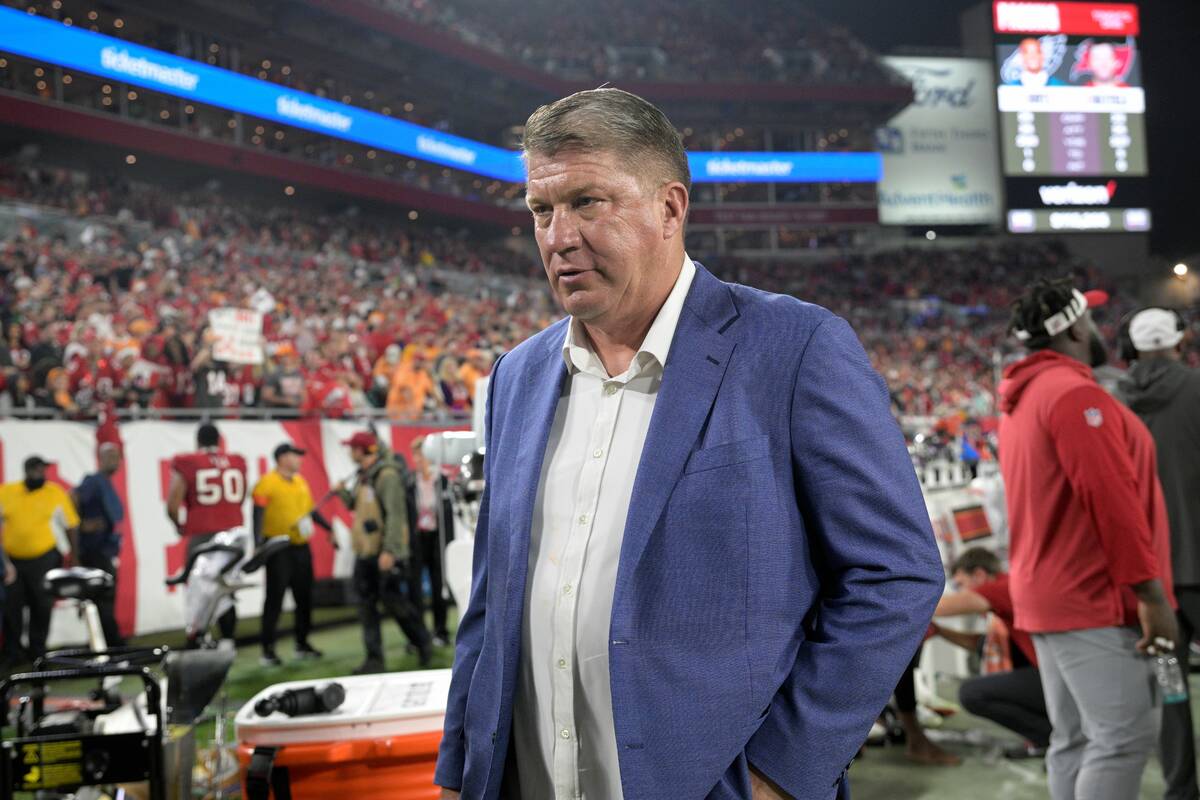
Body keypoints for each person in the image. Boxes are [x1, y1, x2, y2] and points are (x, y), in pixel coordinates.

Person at [434, 89, 944, 800]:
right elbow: (491, 604)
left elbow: (895, 575)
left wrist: (779, 776)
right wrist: (460, 772)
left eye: (588, 202)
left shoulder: (794, 348)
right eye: (541, 210)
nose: (557, 237)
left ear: (670, 208)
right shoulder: (516, 376)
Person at [1000, 279, 1177, 800]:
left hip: (1050, 592)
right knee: (1122, 740)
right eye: (1090, 319)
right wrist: (1150, 594)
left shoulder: (1027, 394)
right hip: (1091, 595)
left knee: (1075, 740)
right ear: (1075, 327)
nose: (1097, 328)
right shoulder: (1073, 394)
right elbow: (1111, 502)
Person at [1117, 307, 1200, 800]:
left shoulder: (1113, 399)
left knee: (1172, 690)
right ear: (1179, 340)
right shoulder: (1197, 388)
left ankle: (1181, 789)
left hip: (1154, 583)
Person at [932, 547, 1051, 760]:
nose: (961, 591)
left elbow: (937, 607)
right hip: (1049, 673)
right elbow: (981, 644)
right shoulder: (1003, 599)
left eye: (961, 585)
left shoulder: (1001, 587)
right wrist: (940, 632)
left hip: (1053, 677)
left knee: (971, 693)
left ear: (979, 575)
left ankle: (1049, 738)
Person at [335, 431, 432, 673]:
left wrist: (390, 551)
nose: (350, 452)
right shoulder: (365, 476)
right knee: (367, 607)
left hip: (381, 552)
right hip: (366, 551)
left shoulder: (386, 475)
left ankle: (422, 641)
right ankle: (374, 659)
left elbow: (396, 514)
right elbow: (355, 505)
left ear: (362, 450)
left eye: (353, 448)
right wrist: (342, 492)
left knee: (395, 604)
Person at [166, 422, 248, 648]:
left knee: (198, 592)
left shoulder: (188, 462)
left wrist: (179, 525)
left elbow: (173, 505)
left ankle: (197, 640)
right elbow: (240, 496)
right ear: (219, 441)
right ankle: (228, 642)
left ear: (198, 442)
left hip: (203, 536)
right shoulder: (237, 461)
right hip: (232, 536)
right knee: (225, 591)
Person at [252, 442, 334, 667]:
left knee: (304, 597)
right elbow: (257, 514)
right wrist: (258, 544)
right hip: (277, 547)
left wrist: (329, 528)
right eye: (295, 455)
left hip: (300, 546)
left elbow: (310, 512)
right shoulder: (266, 483)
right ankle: (267, 650)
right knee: (274, 599)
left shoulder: (300, 482)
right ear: (282, 458)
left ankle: (302, 643)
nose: (299, 460)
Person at [0, 456, 80, 665]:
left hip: (44, 558)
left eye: (43, 470)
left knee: (41, 606)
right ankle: (13, 652)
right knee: (12, 608)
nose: (41, 474)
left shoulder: (54, 492)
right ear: (26, 471)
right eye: (37, 470)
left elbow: (71, 524)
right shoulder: (8, 491)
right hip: (13, 562)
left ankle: (38, 652)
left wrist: (74, 556)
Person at [72, 442, 126, 648]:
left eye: (117, 456)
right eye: (110, 456)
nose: (115, 460)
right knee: (103, 595)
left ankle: (104, 639)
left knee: (105, 596)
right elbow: (72, 497)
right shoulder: (94, 481)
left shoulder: (105, 482)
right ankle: (111, 641)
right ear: (100, 458)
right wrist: (80, 523)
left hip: (104, 549)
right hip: (95, 550)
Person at [409, 435, 454, 646]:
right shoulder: (411, 482)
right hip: (419, 538)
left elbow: (447, 513)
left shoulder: (442, 480)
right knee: (415, 589)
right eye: (415, 455)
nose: (418, 460)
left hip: (437, 538)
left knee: (438, 587)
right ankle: (419, 635)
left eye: (421, 455)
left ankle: (440, 631)